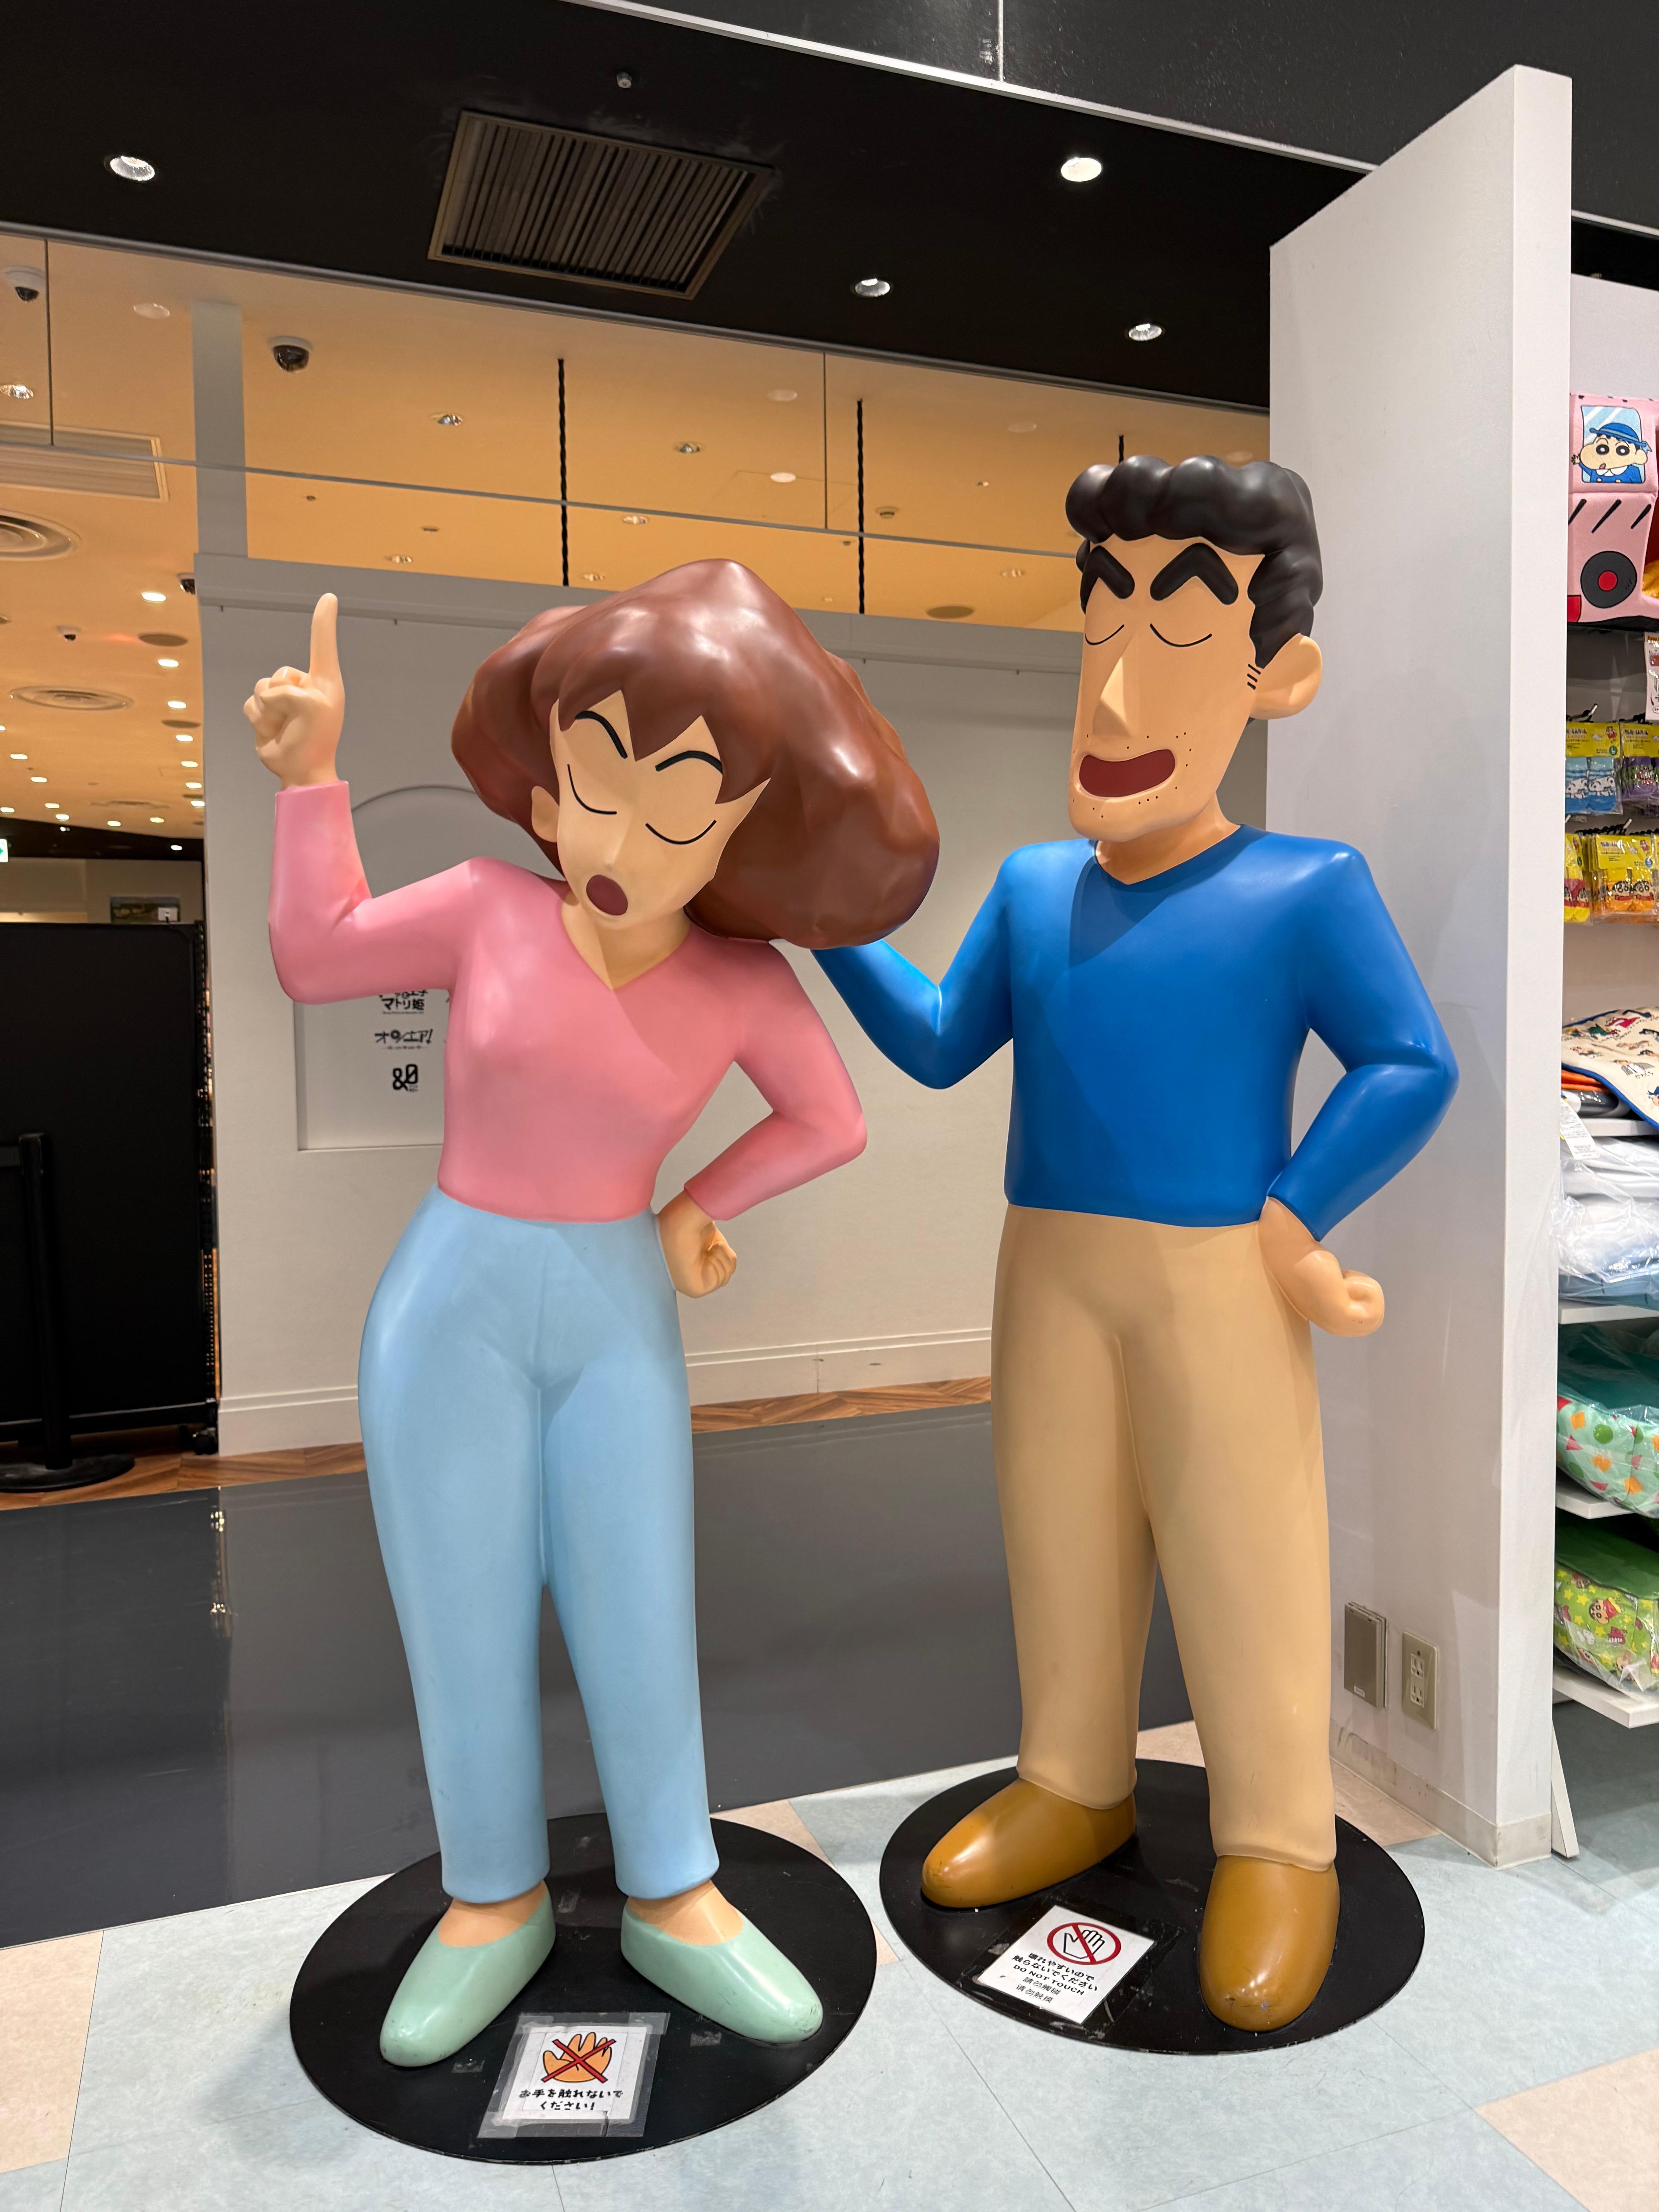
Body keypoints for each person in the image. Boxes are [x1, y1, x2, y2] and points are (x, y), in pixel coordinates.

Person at [249, 560, 937, 2065]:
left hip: (614, 1309)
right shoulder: (486, 909)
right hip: (449, 1306)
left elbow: (829, 1121)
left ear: (744, 824)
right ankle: (488, 1897)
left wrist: (697, 1205)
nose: (621, 843)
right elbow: (318, 954)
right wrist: (311, 783)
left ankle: (674, 1890)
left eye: (678, 806)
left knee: (638, 1603)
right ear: (545, 791)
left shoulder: (744, 979)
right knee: (460, 1610)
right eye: (592, 789)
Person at [815, 455, 1458, 2032]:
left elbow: (1408, 1061)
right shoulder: (1035, 889)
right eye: (1101, 632)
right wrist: (826, 923)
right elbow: (941, 1042)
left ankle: (1279, 1838)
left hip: (1217, 1274)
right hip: (1048, 1268)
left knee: (1245, 1557)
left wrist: (1296, 1212)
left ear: (1274, 678)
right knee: (1059, 1544)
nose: (1113, 695)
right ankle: (1071, 1777)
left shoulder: (1306, 887)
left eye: (1175, 636)